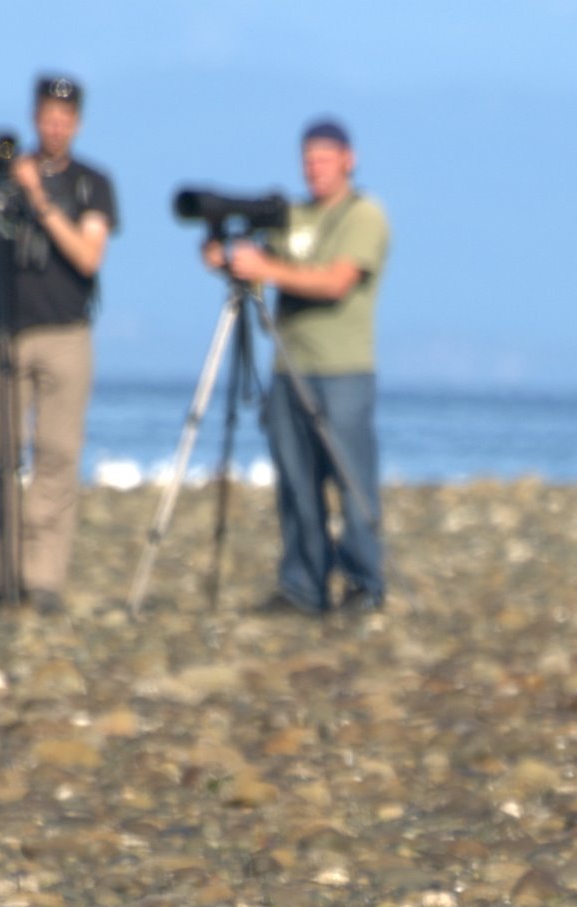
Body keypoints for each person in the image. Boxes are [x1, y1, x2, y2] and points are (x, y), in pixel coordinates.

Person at [204, 118, 390, 615]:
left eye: (324, 159)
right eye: (308, 160)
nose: (315, 169)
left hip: (344, 368)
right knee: (295, 479)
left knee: (352, 479)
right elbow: (262, 274)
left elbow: (336, 282)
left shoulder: (364, 215)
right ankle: (303, 584)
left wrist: (265, 268)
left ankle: (364, 582)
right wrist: (228, 260)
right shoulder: (290, 216)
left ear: (348, 160)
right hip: (290, 367)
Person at [0, 75, 118, 612]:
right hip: (5, 335)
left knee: (57, 458)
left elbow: (88, 257)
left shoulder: (92, 184)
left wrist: (40, 199)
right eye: (47, 118)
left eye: (64, 120)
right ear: (34, 118)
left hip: (66, 334)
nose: (55, 128)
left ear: (78, 124)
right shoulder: (2, 182)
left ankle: (43, 580)